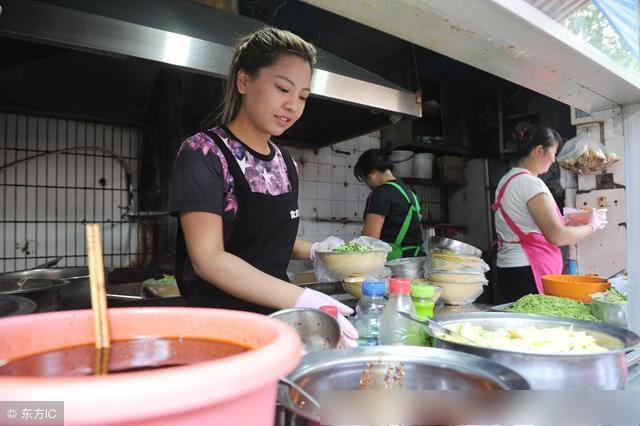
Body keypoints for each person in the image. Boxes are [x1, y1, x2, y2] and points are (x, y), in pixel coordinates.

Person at [168, 26, 357, 342]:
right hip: (220, 332)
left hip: (275, 326)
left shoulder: (285, 163)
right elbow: (208, 258)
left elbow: (264, 237)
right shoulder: (205, 153)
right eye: (283, 89)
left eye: (303, 97)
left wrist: (315, 252)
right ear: (244, 81)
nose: (293, 106)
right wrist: (302, 298)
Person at [493, 123, 607, 303]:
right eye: (553, 152)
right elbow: (557, 236)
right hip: (528, 271)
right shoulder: (530, 184)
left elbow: (526, 221)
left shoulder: (507, 180)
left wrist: (569, 218)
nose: (554, 160)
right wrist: (592, 226)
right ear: (539, 150)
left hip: (510, 270)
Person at [354, 149, 425, 260]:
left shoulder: (381, 192)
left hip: (394, 263)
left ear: (371, 173)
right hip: (416, 261)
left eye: (365, 179)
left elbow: (369, 239)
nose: (368, 185)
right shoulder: (409, 192)